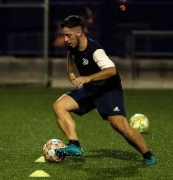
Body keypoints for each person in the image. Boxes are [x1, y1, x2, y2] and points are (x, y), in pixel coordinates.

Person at [53, 15, 156, 165]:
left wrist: (88, 78)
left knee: (120, 126)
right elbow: (70, 64)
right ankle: (74, 144)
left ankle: (148, 155)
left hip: (108, 89)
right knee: (59, 106)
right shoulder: (71, 48)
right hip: (90, 89)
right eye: (64, 36)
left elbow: (112, 70)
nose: (66, 40)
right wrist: (72, 76)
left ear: (79, 32)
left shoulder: (95, 50)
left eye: (68, 35)